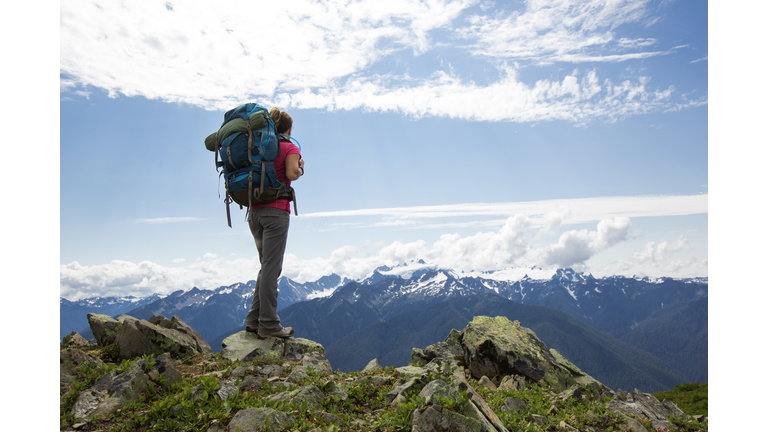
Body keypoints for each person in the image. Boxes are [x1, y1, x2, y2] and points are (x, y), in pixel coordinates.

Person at [244, 107, 304, 339]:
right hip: (276, 212)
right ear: (288, 129)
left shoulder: (257, 148)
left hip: (254, 213)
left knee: (266, 265)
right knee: (272, 268)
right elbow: (291, 174)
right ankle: (268, 324)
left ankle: (253, 320)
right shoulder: (290, 146)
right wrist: (299, 165)